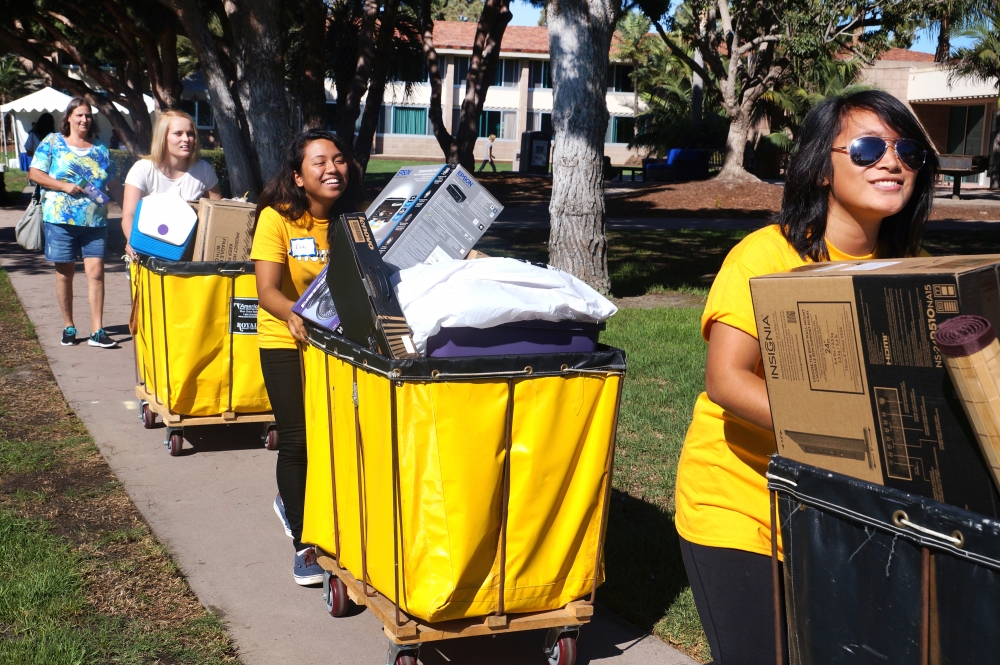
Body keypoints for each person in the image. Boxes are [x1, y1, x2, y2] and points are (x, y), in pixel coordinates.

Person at [673, 89, 938, 665]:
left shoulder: (914, 270)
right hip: (742, 505)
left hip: (846, 512)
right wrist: (852, 429)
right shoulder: (764, 257)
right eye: (868, 148)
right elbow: (727, 379)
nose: (891, 161)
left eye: (907, 150)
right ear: (821, 168)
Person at [250, 129, 362, 585]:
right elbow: (266, 292)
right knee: (297, 439)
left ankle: (331, 520)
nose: (332, 168)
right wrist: (295, 315)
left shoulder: (354, 221)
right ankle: (304, 541)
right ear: (298, 177)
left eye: (338, 159)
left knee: (335, 438)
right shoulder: (277, 220)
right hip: (284, 338)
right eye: (319, 162)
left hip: (339, 343)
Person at [28, 98, 125, 349]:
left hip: (95, 222)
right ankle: (69, 326)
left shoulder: (101, 148)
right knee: (65, 275)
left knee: (96, 273)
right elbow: (35, 173)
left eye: (88, 116)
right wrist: (63, 186)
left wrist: (129, 213)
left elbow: (113, 183)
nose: (84, 120)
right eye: (79, 115)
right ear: (69, 118)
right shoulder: (53, 143)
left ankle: (97, 330)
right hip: (60, 220)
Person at [121, 109, 221, 257]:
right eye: (178, 133)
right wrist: (133, 241)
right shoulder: (142, 169)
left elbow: (217, 214)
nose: (186, 139)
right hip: (148, 251)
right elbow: (129, 214)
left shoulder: (204, 170)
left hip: (187, 256)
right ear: (163, 137)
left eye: (190, 133)